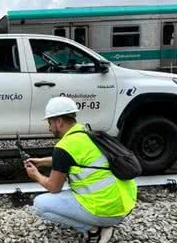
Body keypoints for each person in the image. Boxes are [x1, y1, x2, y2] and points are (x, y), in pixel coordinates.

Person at [24, 96, 137, 243]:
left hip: (107, 210)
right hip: (126, 203)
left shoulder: (64, 146)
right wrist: (41, 162)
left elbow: (54, 187)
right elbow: (75, 159)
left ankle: (94, 229)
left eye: (50, 122)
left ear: (59, 122)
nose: (49, 127)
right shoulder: (87, 133)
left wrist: (36, 175)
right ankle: (103, 223)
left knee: (40, 205)